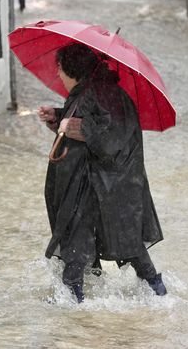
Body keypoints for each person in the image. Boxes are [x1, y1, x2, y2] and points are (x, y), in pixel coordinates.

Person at [38, 43, 166, 303]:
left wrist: (78, 127)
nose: (59, 75)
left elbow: (109, 135)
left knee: (80, 242)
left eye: (60, 69)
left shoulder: (97, 93)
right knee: (120, 243)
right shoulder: (94, 91)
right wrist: (59, 117)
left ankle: (73, 311)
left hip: (103, 186)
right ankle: (157, 294)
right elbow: (94, 122)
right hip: (107, 185)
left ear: (69, 69)